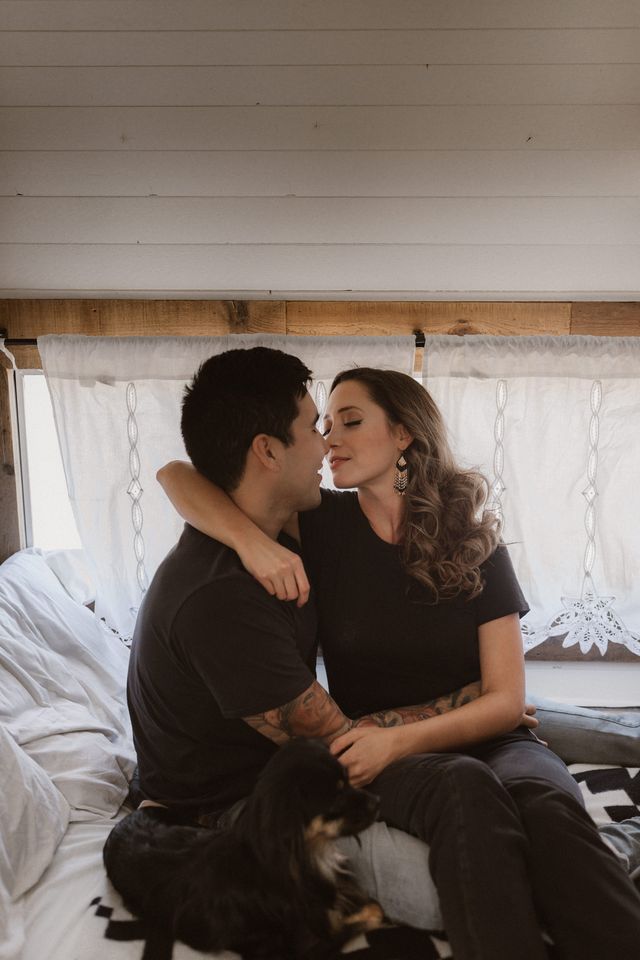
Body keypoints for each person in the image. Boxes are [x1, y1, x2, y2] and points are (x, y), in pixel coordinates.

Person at [158, 360, 640, 960]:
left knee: (551, 818)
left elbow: (505, 701)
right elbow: (176, 473)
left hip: (486, 738)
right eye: (324, 424)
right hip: (382, 755)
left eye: (350, 421)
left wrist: (408, 737)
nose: (330, 438)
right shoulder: (316, 524)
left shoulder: (474, 540)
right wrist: (248, 541)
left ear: (404, 434)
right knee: (506, 855)